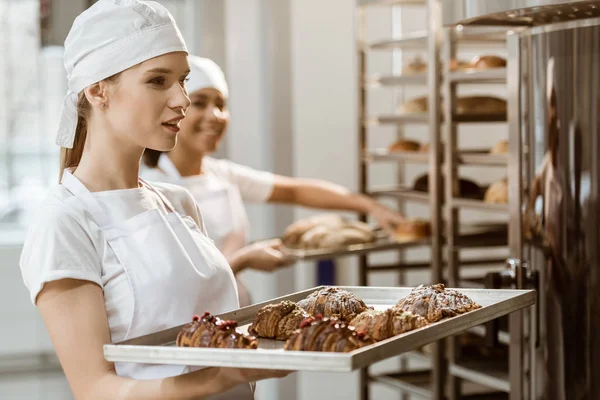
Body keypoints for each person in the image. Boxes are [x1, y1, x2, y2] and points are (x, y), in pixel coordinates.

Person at [19, 1, 287, 399]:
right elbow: (95, 388)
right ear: (98, 90)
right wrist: (219, 377)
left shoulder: (178, 203)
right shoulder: (65, 221)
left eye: (183, 80)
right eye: (158, 81)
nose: (182, 99)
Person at [142, 55, 406, 306]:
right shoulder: (150, 187)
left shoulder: (221, 175)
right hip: (186, 324)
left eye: (221, 105)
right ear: (177, 110)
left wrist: (372, 208)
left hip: (234, 309)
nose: (215, 116)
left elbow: (295, 192)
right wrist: (244, 259)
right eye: (200, 103)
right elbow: (172, 285)